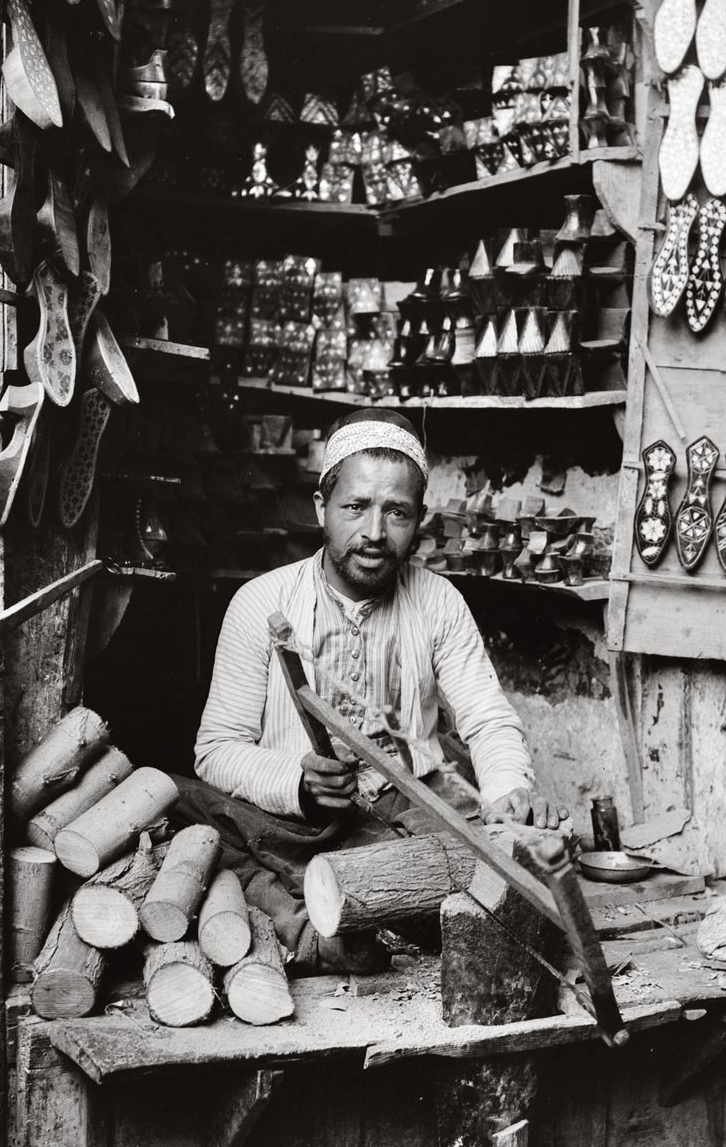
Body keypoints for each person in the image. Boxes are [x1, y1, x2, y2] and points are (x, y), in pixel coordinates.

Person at [179, 407, 561, 974]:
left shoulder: (437, 602)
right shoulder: (261, 603)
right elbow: (216, 749)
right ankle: (325, 918)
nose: (375, 534)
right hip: (293, 821)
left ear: (419, 519)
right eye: (356, 508)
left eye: (396, 513)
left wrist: (509, 790)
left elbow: (486, 718)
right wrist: (296, 783)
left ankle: (338, 909)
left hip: (405, 808)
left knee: (506, 877)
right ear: (322, 508)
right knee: (186, 808)